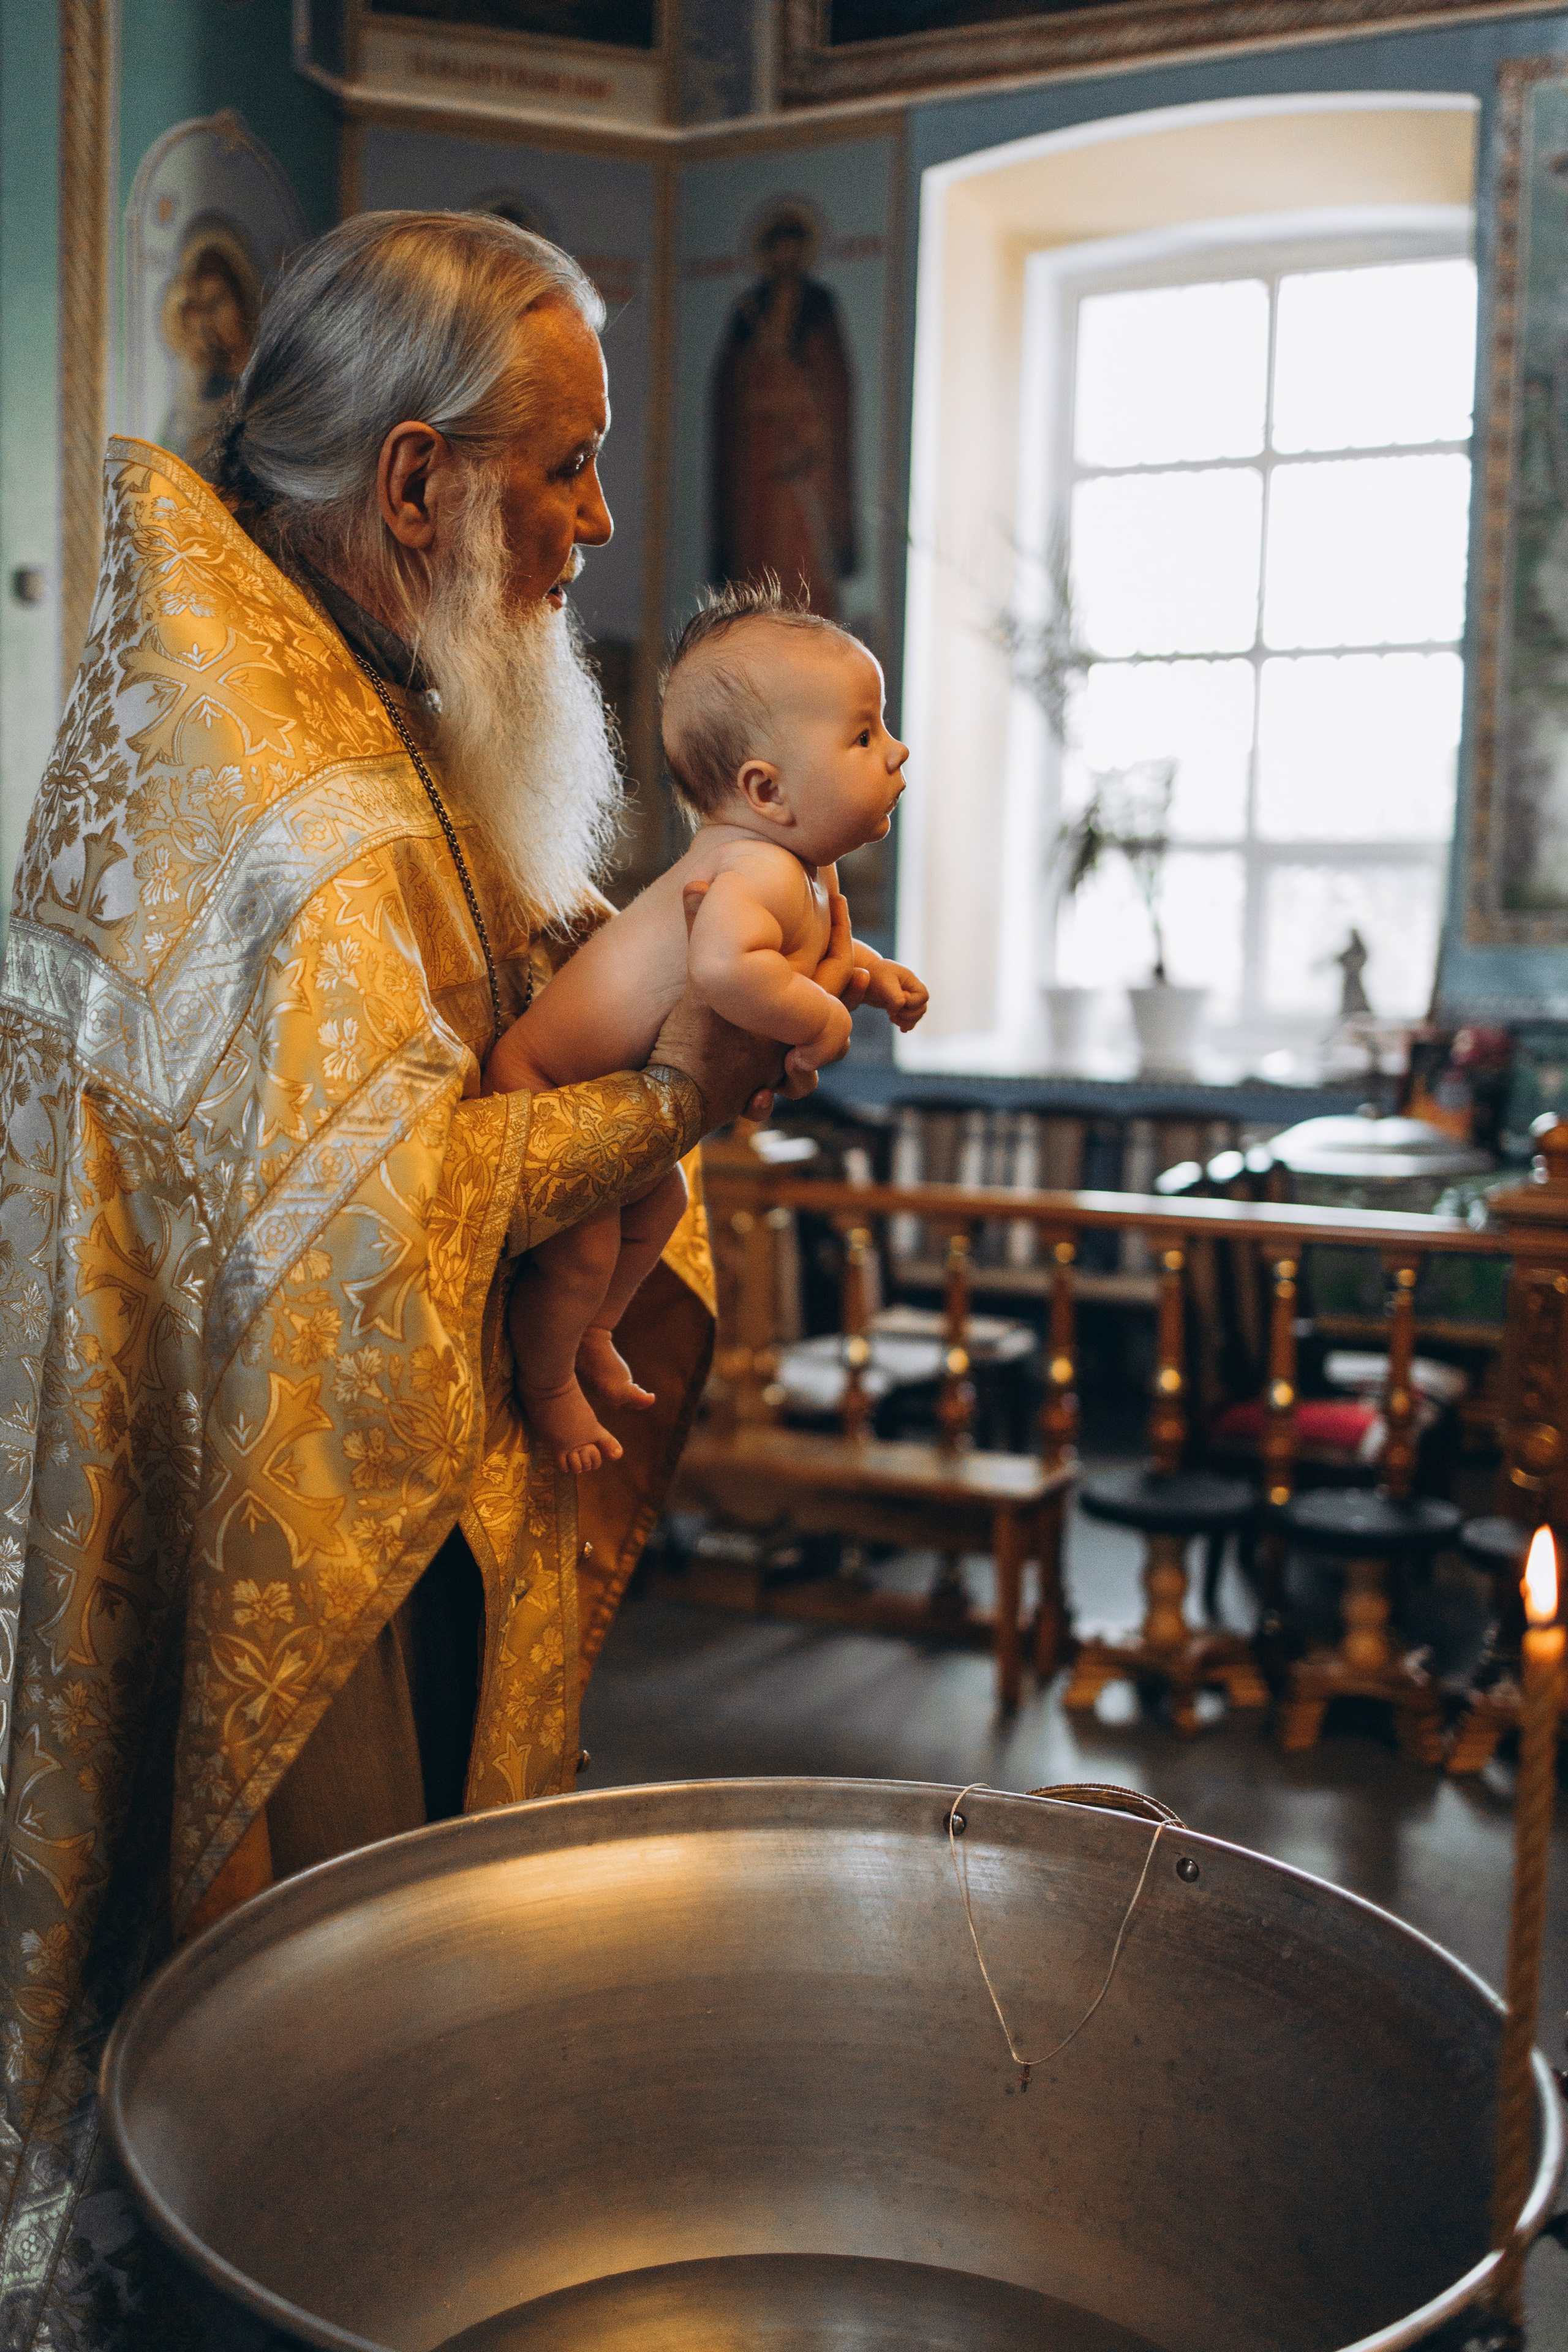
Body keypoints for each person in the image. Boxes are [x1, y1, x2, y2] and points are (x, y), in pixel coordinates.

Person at [0, 210, 861, 2347]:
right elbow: (383, 1213)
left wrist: (638, 988)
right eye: (560, 465)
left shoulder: (359, 692)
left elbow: (467, 1018)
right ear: (413, 486)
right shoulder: (283, 775)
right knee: (311, 2064)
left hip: (384, 1466)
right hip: (301, 1530)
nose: (594, 520)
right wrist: (673, 1089)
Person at [486, 581, 928, 1473]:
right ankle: (547, 1387)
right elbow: (725, 969)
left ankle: (597, 1332)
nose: (898, 748)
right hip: (538, 1086)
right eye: (864, 734)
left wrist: (872, 978)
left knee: (664, 1201)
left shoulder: (796, 872)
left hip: (599, 1092)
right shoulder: (755, 869)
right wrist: (823, 1023)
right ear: (767, 789)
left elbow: (794, 955)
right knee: (583, 1253)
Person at [709, 204, 857, 616]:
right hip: (755, 456)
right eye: (778, 248)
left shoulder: (819, 306)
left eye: (794, 247)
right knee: (754, 548)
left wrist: (805, 429)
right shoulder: (747, 310)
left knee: (803, 548)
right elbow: (729, 386)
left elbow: (831, 381)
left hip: (801, 450)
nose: (785, 257)